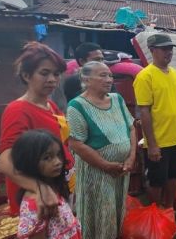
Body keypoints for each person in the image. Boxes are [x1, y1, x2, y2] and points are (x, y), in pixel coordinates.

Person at [0, 42, 75, 217]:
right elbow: (6, 161)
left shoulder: (51, 105)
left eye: (56, 74)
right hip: (37, 199)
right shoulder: (18, 110)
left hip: (57, 188)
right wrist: (39, 188)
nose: (52, 80)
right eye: (44, 73)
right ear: (26, 75)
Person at [66, 61, 136, 238]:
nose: (109, 79)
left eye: (110, 75)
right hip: (97, 174)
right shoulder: (77, 106)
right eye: (102, 75)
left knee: (117, 210)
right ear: (86, 79)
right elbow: (76, 143)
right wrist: (106, 165)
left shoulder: (117, 99)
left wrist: (131, 157)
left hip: (121, 170)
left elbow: (132, 127)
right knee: (100, 216)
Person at [133, 33, 176, 225]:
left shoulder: (174, 74)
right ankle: (156, 214)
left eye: (170, 48)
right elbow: (144, 111)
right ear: (152, 51)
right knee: (157, 181)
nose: (169, 52)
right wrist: (151, 145)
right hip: (158, 141)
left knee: (174, 176)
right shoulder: (145, 76)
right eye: (164, 48)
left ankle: (169, 210)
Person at [12, 130, 81, 239]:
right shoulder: (37, 203)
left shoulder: (51, 187)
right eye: (47, 158)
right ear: (28, 161)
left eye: (58, 155)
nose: (58, 161)